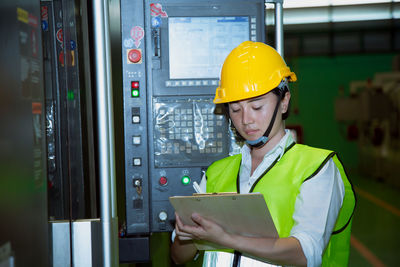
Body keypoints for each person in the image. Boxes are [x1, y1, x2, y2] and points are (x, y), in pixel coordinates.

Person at [170, 41, 356, 267]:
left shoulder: (317, 168)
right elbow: (179, 257)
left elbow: (306, 254)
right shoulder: (216, 174)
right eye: (235, 109)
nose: (245, 119)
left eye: (256, 106)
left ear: (284, 101)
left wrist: (224, 238)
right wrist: (186, 235)